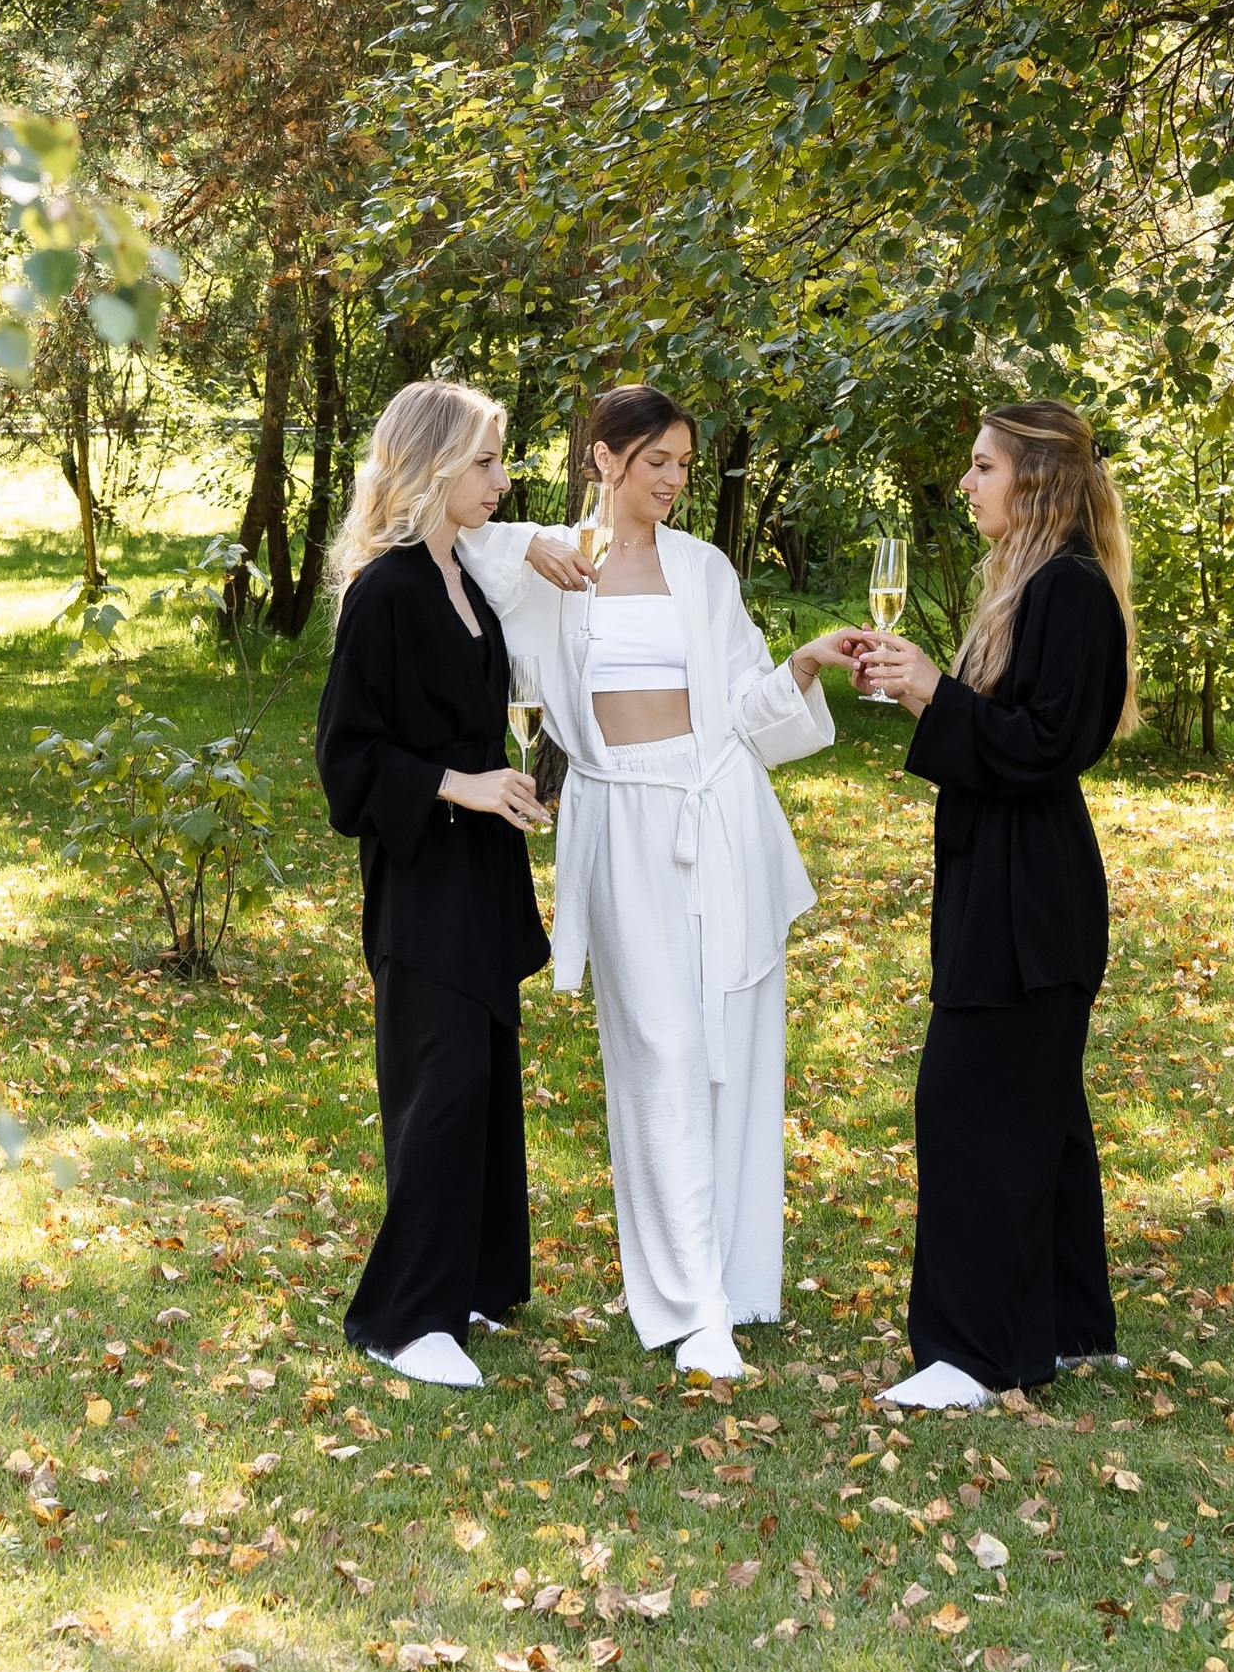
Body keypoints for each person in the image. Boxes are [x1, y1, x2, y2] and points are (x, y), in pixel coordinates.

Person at [464, 386, 867, 1385]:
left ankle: (731, 1283)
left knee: (729, 1046)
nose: (675, 482)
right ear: (603, 458)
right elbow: (435, 531)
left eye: (685, 464)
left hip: (718, 813)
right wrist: (530, 548)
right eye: (657, 463)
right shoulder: (548, 562)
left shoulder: (703, 568)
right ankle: (688, 1308)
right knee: (659, 1049)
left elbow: (738, 712)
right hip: (617, 823)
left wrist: (805, 666)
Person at [855, 396, 1136, 1412]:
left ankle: (971, 1357)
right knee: (1038, 1107)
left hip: (1030, 894)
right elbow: (1006, 726)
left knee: (972, 1104)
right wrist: (929, 693)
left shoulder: (1069, 592)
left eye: (982, 467)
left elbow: (1047, 746)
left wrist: (939, 694)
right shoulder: (1032, 589)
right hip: (1008, 878)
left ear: (1037, 481)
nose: (966, 483)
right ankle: (1064, 1325)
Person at [314, 378, 552, 1390]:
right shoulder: (389, 589)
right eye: (488, 461)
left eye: (501, 459)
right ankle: (404, 1319)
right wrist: (462, 785)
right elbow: (346, 761)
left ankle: (462, 1285)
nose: (503, 480)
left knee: (484, 1081)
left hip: (481, 871)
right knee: (440, 1087)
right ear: (434, 466)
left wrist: (527, 780)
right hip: (421, 880)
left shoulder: (463, 580)